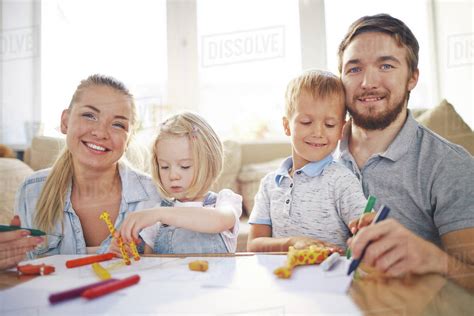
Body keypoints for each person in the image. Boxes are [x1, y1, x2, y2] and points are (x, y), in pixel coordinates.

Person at [338, 14, 474, 287]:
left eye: (386, 65)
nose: (367, 83)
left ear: (412, 77)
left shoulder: (450, 165)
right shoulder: (315, 151)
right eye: (354, 69)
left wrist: (433, 258)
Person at [15, 74, 161, 258]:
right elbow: (22, 270)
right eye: (89, 115)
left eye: (117, 124)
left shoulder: (154, 196)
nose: (100, 133)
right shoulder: (32, 191)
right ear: (65, 122)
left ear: (128, 139)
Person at [247, 70, 371, 253]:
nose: (318, 133)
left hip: (330, 278)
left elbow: (367, 230)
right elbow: (254, 245)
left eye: (329, 125)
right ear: (287, 126)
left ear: (340, 130)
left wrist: (369, 226)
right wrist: (290, 243)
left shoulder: (341, 180)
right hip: (282, 278)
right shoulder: (269, 184)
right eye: (306, 122)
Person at [116, 111, 242, 254]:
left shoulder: (224, 202)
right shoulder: (159, 212)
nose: (173, 175)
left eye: (185, 166)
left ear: (210, 163)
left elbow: (219, 221)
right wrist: (128, 250)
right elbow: (148, 262)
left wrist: (160, 214)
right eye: (164, 166)